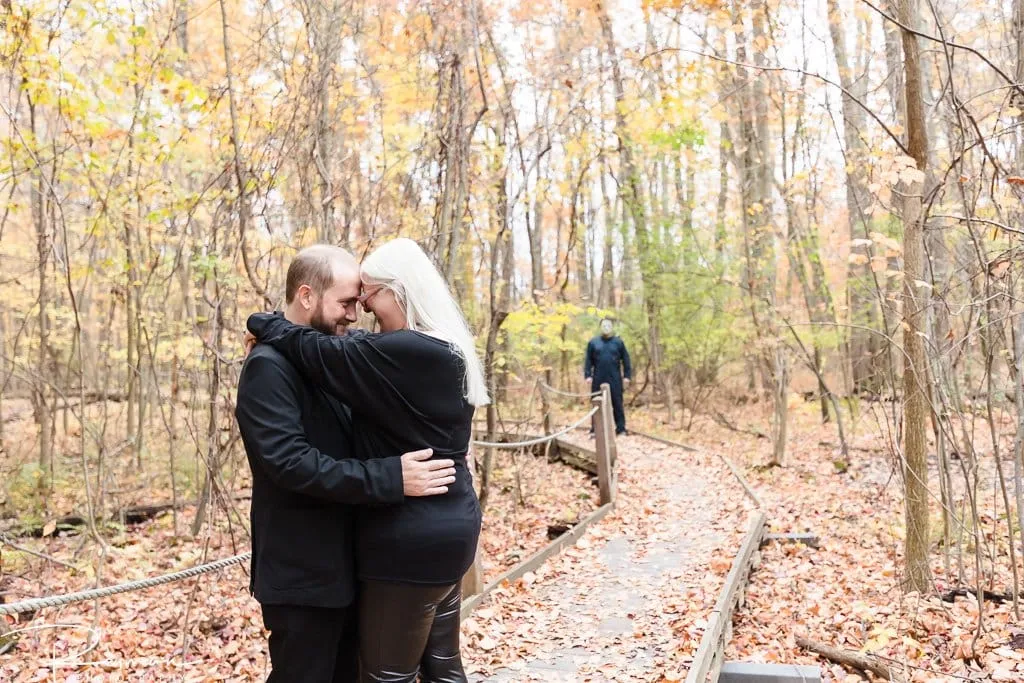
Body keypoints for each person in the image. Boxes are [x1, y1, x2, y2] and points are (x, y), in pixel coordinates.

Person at [246, 237, 488, 683]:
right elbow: (288, 463)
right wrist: (390, 476)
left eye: (365, 300)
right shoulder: (269, 366)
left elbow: (343, 356)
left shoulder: (362, 355)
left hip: (364, 558)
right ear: (306, 296)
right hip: (306, 570)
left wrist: (265, 322)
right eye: (347, 302)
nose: (358, 315)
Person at [584, 317, 632, 436]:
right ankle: (595, 429)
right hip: (598, 377)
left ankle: (620, 429)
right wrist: (588, 375)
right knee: (597, 403)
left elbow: (626, 360)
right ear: (600, 327)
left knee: (617, 403)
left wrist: (627, 376)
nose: (606, 328)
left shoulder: (618, 342)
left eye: (608, 325)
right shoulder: (593, 342)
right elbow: (588, 361)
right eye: (604, 325)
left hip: (614, 377)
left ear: (612, 327)